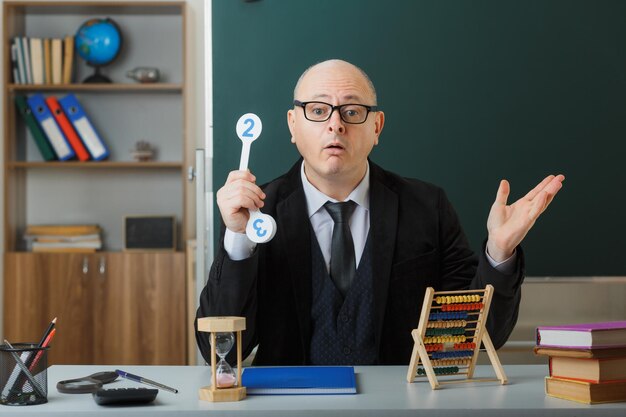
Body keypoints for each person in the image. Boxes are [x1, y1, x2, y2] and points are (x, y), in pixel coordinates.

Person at [196, 59, 564, 366]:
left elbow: (479, 339)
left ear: (377, 126)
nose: (335, 124)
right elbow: (218, 353)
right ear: (293, 124)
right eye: (318, 110)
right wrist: (238, 241)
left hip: (402, 405)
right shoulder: (259, 211)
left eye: (352, 111)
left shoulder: (427, 207)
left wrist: (498, 253)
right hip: (290, 405)